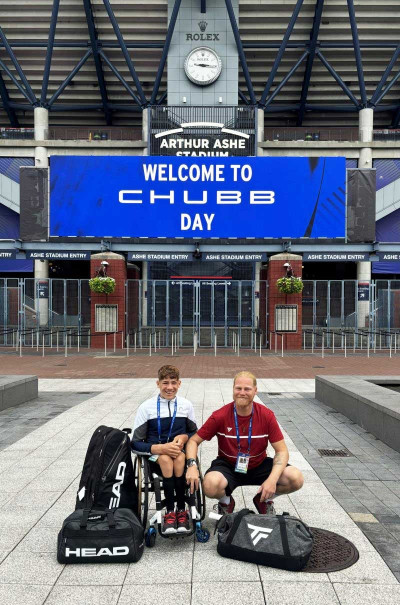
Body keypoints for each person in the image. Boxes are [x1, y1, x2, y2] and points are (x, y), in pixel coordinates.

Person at [185, 371, 303, 515]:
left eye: (247, 389)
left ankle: (263, 500)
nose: (242, 392)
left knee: (295, 478)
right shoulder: (220, 415)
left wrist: (272, 480)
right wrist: (192, 466)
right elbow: (193, 441)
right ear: (233, 389)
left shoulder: (266, 415)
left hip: (258, 464)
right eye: (238, 388)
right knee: (209, 485)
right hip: (228, 464)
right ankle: (226, 502)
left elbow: (282, 451)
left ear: (255, 391)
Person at [132, 364, 197, 534]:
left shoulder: (186, 405)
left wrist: (184, 437)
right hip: (156, 457)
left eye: (173, 383)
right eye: (165, 383)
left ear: (180, 383)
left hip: (179, 455)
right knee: (166, 459)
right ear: (158, 383)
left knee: (180, 458)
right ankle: (169, 511)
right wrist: (159, 448)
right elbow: (135, 443)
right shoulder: (146, 408)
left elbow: (194, 434)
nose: (170, 387)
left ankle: (181, 510)